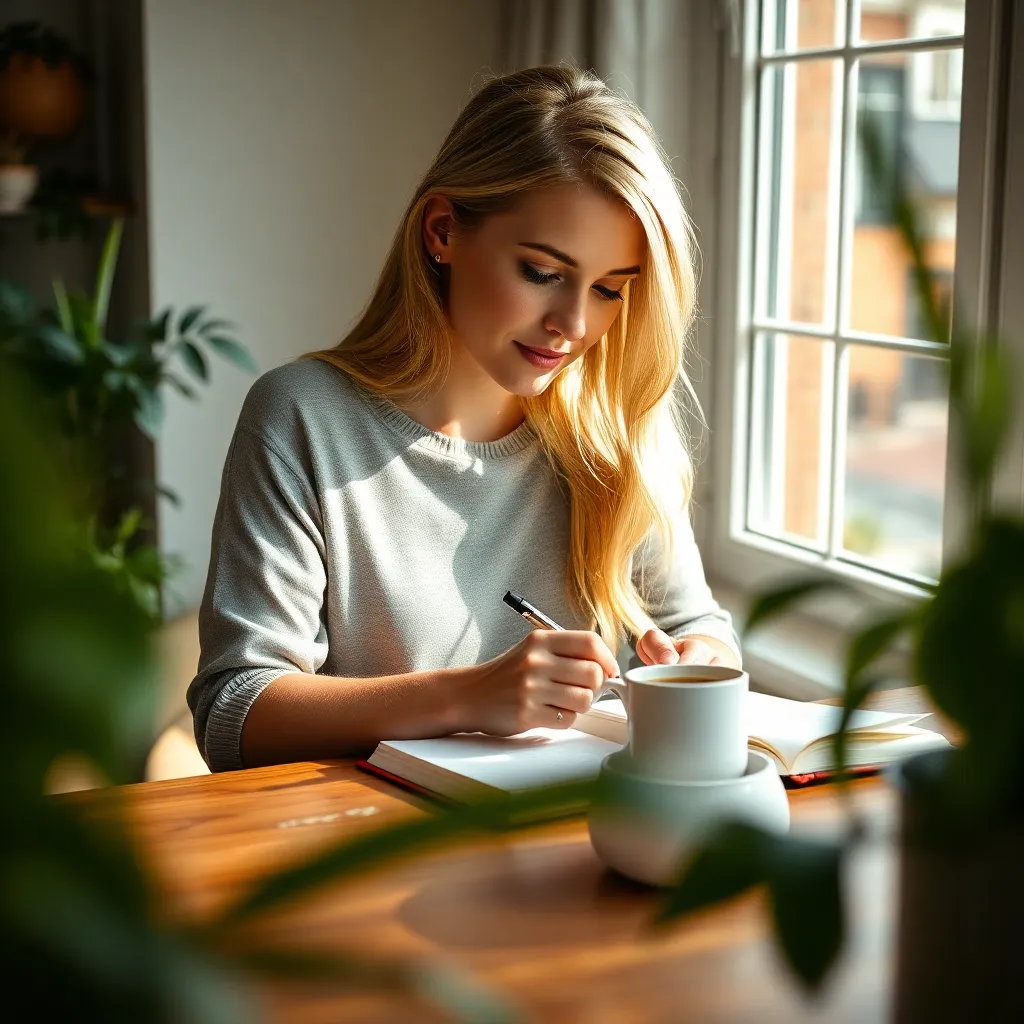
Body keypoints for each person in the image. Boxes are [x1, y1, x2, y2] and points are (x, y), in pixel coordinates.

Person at [187, 64, 741, 773]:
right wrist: (466, 696)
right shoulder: (303, 417)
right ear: (443, 230)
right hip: (370, 856)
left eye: (608, 289)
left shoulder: (613, 433)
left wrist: (698, 663)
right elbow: (234, 713)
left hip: (572, 844)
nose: (573, 323)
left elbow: (699, 628)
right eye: (543, 272)